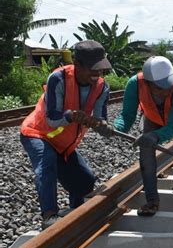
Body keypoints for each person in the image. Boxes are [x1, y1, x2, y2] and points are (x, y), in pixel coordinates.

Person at [20, 40, 114, 229]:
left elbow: (99, 118)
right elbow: (53, 119)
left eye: (101, 70)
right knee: (47, 165)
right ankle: (49, 215)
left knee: (86, 181)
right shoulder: (59, 78)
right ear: (77, 64)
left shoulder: (102, 87)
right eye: (93, 69)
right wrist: (71, 116)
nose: (97, 75)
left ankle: (76, 211)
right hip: (38, 133)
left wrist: (103, 126)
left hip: (65, 143)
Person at [114, 56, 173, 216]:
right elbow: (127, 115)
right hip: (153, 119)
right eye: (160, 86)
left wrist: (155, 136)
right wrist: (116, 127)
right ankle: (152, 200)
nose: (166, 89)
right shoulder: (134, 84)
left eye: (169, 84)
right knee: (146, 157)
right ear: (147, 83)